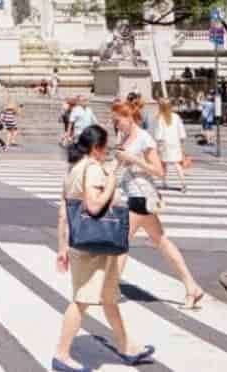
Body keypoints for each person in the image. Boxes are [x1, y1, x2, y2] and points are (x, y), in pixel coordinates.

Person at [53, 125, 154, 372]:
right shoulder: (94, 169)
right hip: (94, 246)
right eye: (106, 146)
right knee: (81, 300)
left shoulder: (74, 169)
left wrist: (62, 247)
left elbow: (63, 213)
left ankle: (125, 346)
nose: (108, 151)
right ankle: (62, 354)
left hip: (83, 242)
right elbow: (95, 205)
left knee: (109, 297)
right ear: (97, 148)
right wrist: (111, 181)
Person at [109, 99, 204, 309]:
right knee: (162, 242)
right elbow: (118, 165)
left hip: (141, 197)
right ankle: (191, 286)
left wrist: (134, 160)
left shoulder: (144, 138)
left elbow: (159, 170)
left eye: (118, 121)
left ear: (128, 117)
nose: (116, 125)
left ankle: (111, 289)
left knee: (121, 243)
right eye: (114, 122)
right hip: (133, 195)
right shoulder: (126, 137)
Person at [151, 99, 188, 192]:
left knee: (163, 164)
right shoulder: (176, 116)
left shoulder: (160, 118)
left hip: (165, 144)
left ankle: (164, 182)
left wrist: (158, 142)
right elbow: (181, 130)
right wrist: (182, 140)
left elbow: (159, 133)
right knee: (177, 164)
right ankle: (183, 183)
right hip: (175, 143)